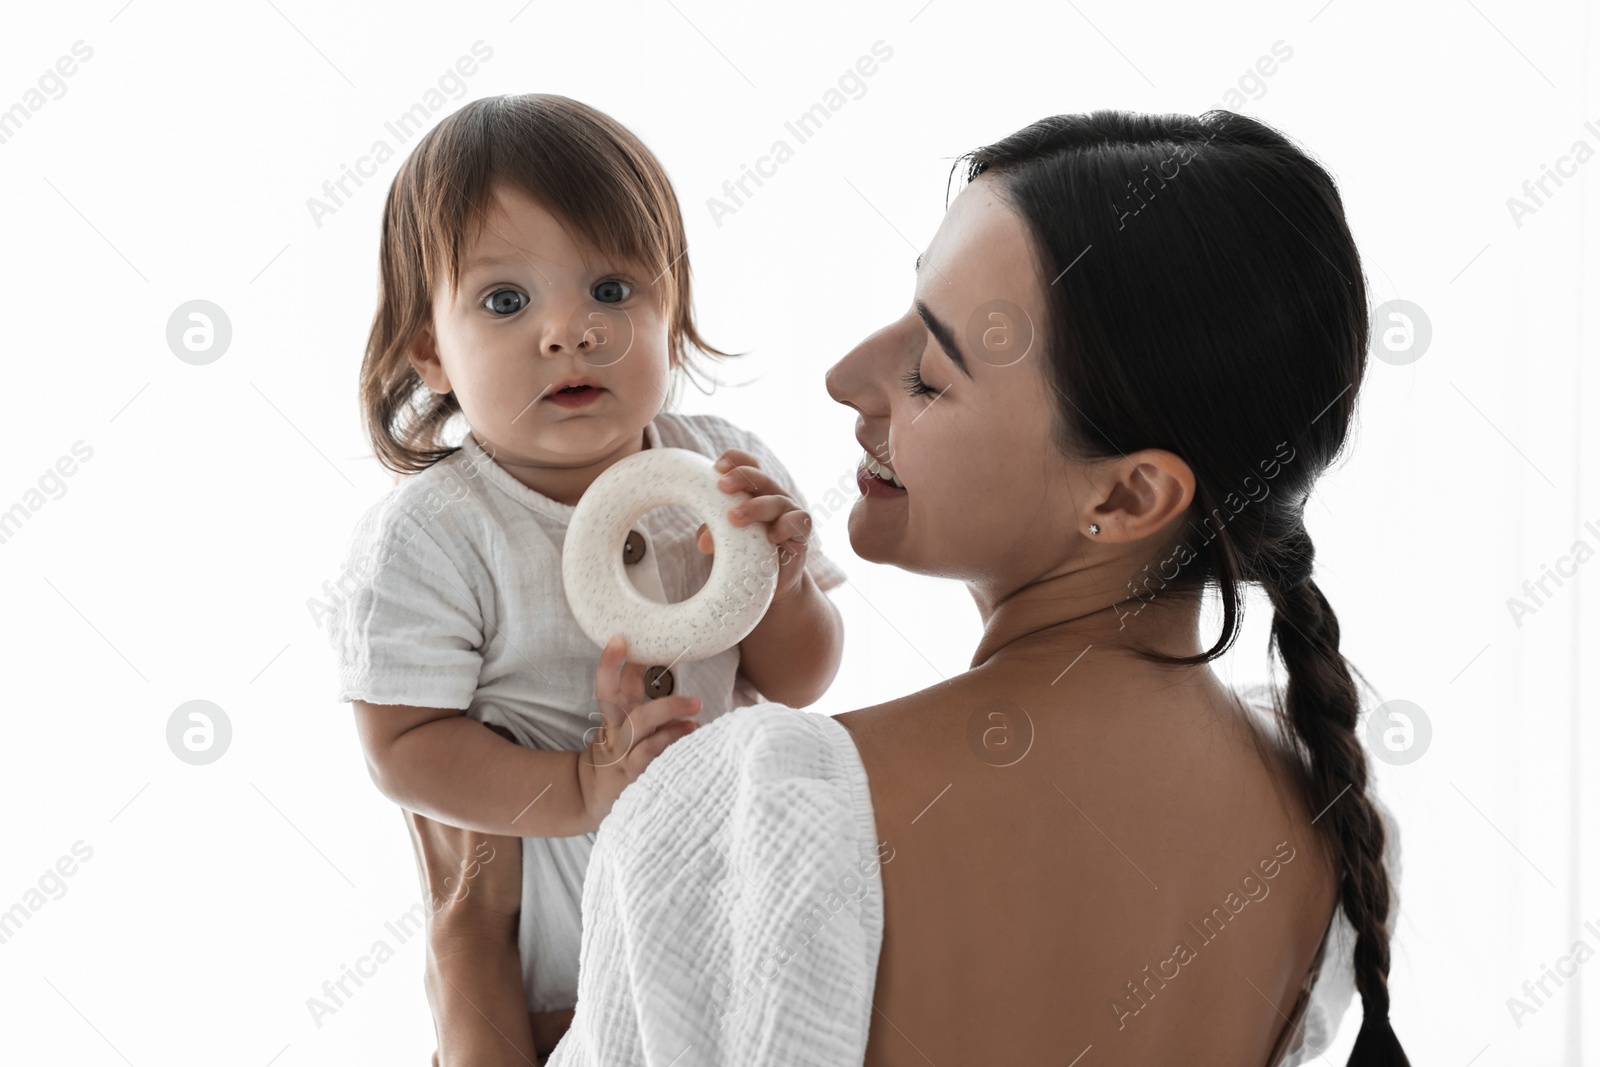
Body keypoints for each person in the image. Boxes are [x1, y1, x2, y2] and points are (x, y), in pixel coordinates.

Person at [420, 107, 1411, 1066]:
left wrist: (465, 944)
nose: (848, 375)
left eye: (930, 372)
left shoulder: (760, 814)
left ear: (1128, 492)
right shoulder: (1322, 817)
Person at [324, 93, 851, 1064]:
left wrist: (783, 586)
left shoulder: (723, 470)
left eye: (612, 289)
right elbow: (401, 744)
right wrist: (578, 781)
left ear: (671, 305)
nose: (568, 330)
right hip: (543, 953)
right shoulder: (439, 532)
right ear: (430, 350)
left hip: (722, 913)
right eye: (506, 300)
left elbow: (801, 680)